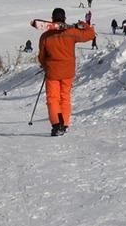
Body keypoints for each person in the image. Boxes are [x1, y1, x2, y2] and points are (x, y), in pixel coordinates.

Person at [38, 8, 96, 136]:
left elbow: (41, 57)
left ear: (52, 19)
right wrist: (84, 25)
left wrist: (45, 65)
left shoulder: (45, 36)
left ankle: (56, 124)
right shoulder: (72, 32)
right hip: (68, 72)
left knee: (53, 99)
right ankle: (64, 124)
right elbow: (91, 34)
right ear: (64, 18)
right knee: (65, 98)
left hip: (52, 72)